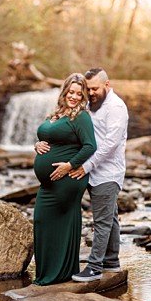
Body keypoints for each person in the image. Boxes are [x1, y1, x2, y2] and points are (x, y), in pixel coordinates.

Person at [36, 68, 128, 282]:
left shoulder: (116, 107)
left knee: (102, 221)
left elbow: (109, 145)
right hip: (87, 170)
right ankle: (112, 262)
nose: (91, 93)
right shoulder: (89, 105)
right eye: (89, 89)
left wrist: (83, 166)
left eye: (94, 88)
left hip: (106, 171)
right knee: (110, 217)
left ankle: (95, 267)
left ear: (107, 85)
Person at [29, 73, 98, 286]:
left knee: (59, 223)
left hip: (68, 180)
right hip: (49, 183)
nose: (75, 97)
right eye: (71, 92)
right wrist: (37, 144)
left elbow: (90, 146)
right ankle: (48, 273)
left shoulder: (81, 117)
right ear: (65, 91)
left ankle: (56, 275)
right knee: (42, 221)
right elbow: (45, 137)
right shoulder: (57, 114)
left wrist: (70, 165)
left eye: (79, 93)